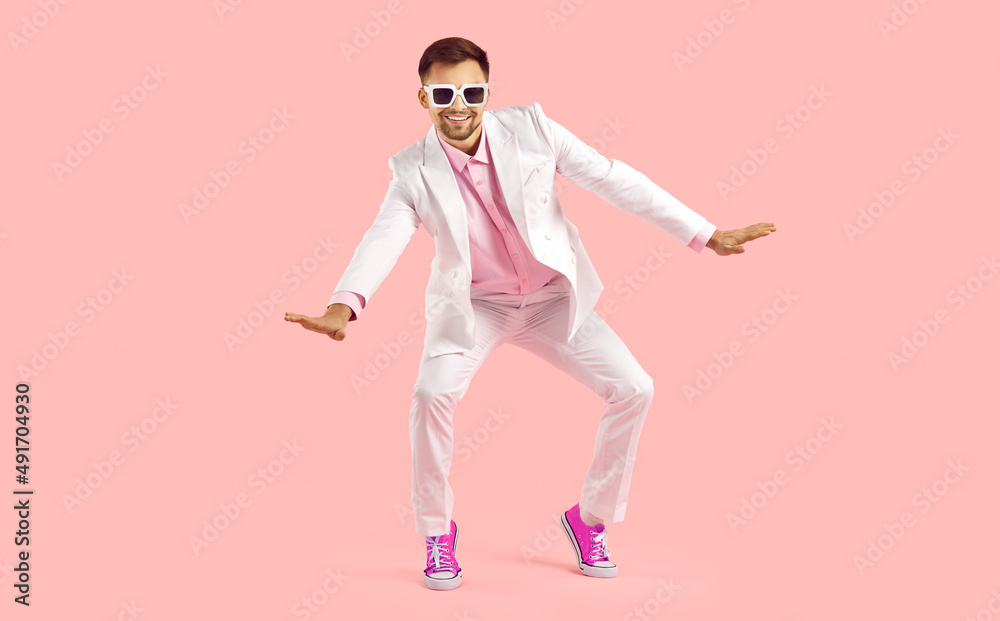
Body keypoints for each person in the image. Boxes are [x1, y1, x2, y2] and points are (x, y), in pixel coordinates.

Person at [285, 36, 776, 591]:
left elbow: (612, 177)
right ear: (422, 97)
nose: (459, 104)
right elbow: (385, 237)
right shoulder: (411, 169)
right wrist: (342, 306)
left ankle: (588, 519)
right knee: (430, 395)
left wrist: (704, 233)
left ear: (488, 92)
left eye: (472, 90)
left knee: (635, 388)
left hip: (553, 303)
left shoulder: (535, 129)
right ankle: (436, 534)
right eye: (443, 92)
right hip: (477, 308)